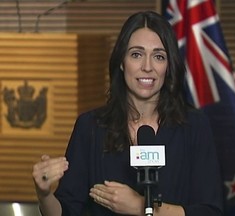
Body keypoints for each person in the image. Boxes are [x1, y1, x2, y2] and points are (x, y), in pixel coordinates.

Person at [32, 11, 223, 216]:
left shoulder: (193, 125)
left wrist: (142, 207)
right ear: (122, 62)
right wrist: (44, 194)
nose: (147, 67)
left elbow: (209, 211)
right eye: (136, 54)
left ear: (168, 66)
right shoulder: (90, 127)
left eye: (158, 56)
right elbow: (66, 211)